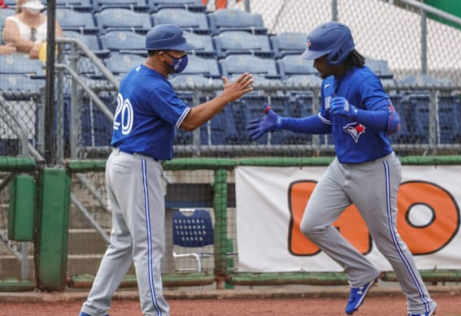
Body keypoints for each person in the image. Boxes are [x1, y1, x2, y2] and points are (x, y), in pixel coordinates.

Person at [247, 22, 437, 316]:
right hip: (342, 166)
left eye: (319, 57)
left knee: (388, 241)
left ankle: (421, 304)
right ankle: (361, 272)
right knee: (312, 224)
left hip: (375, 169)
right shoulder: (328, 80)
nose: (314, 63)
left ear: (337, 55)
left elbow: (393, 122)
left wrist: (355, 112)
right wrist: (283, 123)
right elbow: (326, 121)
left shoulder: (364, 80)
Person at [79, 24, 253, 316]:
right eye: (177, 52)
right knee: (148, 245)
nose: (182, 56)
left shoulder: (135, 75)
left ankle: (93, 309)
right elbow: (189, 121)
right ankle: (155, 312)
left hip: (121, 161)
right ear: (161, 54)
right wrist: (226, 97)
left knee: (122, 242)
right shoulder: (153, 85)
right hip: (138, 165)